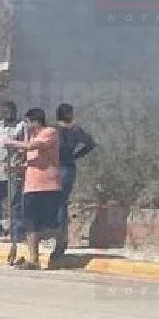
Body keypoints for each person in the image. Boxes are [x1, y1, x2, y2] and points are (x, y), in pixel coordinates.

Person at [5, 108, 61, 270]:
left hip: (48, 186)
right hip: (31, 187)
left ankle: (59, 244)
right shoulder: (33, 137)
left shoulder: (49, 133)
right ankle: (33, 259)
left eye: (28, 122)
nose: (27, 126)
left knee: (49, 225)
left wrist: (12, 143)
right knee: (30, 224)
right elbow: (34, 162)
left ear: (35, 121)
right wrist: (16, 168)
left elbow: (33, 146)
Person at [50, 103, 97, 262]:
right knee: (61, 203)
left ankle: (58, 239)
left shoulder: (53, 129)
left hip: (55, 167)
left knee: (56, 203)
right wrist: (76, 156)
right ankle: (61, 239)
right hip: (67, 167)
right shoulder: (75, 130)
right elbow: (90, 144)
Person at [0, 102, 26, 241]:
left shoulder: (21, 126)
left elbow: (26, 146)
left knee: (14, 201)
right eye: (5, 111)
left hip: (12, 168)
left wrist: (20, 162)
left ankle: (16, 232)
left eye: (11, 111)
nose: (8, 113)